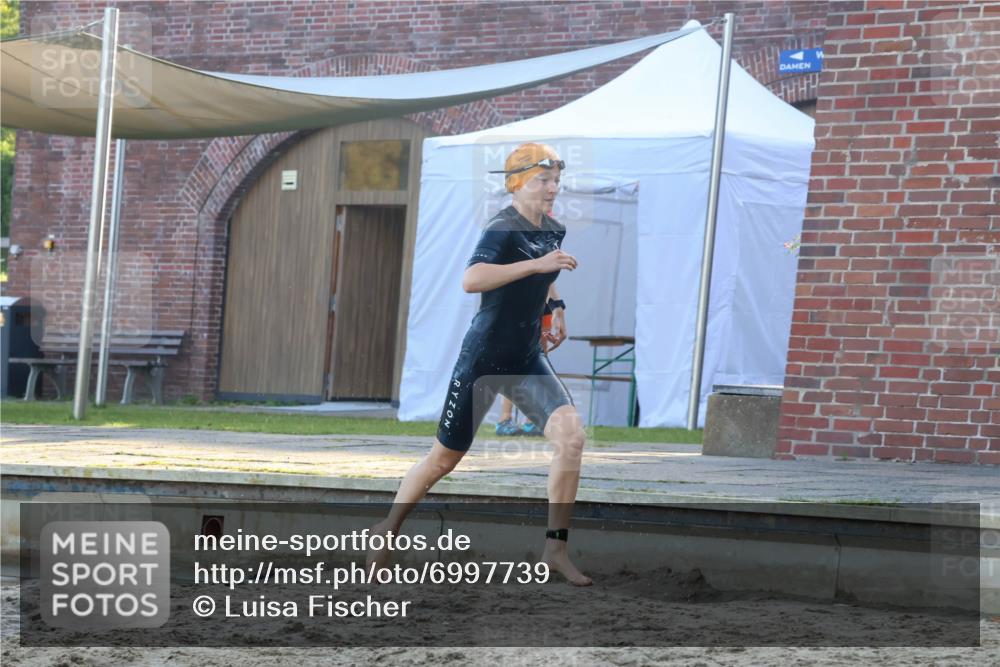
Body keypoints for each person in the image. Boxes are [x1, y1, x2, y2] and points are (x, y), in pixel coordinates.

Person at [367, 142, 591, 586]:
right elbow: (473, 279)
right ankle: (386, 530)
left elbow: (543, 276)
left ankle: (555, 549)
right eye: (542, 181)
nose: (552, 189)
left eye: (556, 182)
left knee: (571, 437)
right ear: (517, 183)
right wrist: (536, 266)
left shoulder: (552, 230)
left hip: (525, 357)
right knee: (442, 461)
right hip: (483, 360)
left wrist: (557, 306)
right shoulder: (501, 229)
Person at [495, 302, 562, 436]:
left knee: (539, 361)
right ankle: (505, 420)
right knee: (514, 361)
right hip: (521, 301)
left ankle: (532, 422)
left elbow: (549, 283)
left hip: (544, 305)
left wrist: (557, 306)